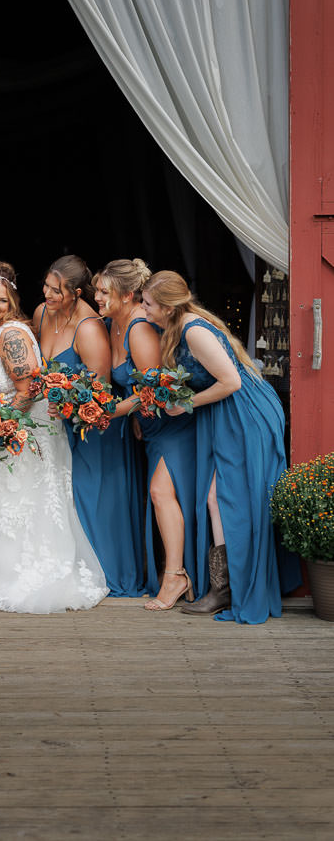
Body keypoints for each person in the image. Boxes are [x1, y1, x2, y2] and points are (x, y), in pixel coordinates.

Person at [142, 270, 300, 624]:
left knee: (225, 498)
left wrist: (185, 404)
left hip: (244, 414)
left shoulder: (193, 331)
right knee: (218, 498)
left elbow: (230, 382)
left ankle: (227, 590)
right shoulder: (180, 325)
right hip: (227, 415)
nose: (144, 310)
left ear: (168, 307)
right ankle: (224, 588)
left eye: (149, 304)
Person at [0, 262, 108, 613]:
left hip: (18, 431)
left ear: (12, 303)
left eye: (2, 300)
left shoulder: (11, 335)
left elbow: (28, 388)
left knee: (16, 504)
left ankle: (17, 573)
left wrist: (0, 429)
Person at [34, 255, 142, 597]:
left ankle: (110, 574)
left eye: (56, 291)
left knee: (92, 497)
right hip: (57, 426)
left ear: (75, 293)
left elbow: (100, 391)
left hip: (94, 428)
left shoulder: (90, 328)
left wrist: (68, 405)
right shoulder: (40, 314)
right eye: (47, 287)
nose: (48, 295)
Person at [95, 258, 199, 611]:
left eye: (103, 291)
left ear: (126, 296)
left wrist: (119, 410)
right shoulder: (112, 324)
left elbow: (156, 384)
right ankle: (170, 570)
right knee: (159, 494)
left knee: (160, 492)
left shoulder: (139, 327)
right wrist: (137, 415)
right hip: (151, 425)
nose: (97, 297)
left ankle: (175, 575)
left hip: (174, 424)